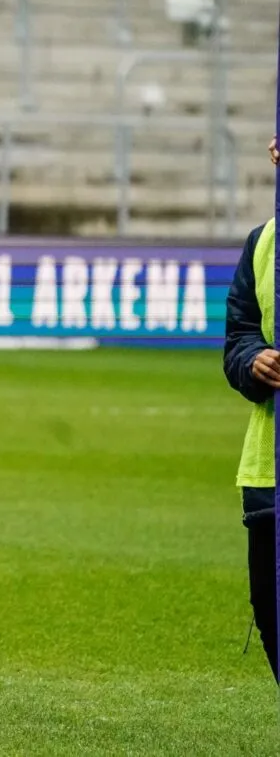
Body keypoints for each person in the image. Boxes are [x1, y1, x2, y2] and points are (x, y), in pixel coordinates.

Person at [221, 134, 279, 682]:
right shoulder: (262, 241)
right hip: (269, 469)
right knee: (272, 610)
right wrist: (253, 360)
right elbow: (238, 333)